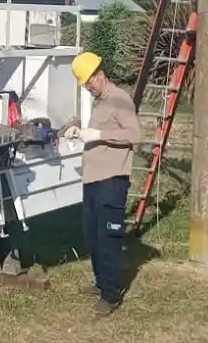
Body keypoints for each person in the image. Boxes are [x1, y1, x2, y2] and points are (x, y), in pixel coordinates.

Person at [61, 51, 141, 316]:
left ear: (100, 74)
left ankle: (111, 293)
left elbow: (134, 134)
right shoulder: (99, 102)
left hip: (112, 181)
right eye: (84, 85)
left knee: (108, 239)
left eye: (89, 83)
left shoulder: (120, 99)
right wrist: (80, 132)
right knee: (92, 237)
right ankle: (100, 282)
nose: (88, 88)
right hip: (93, 181)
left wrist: (98, 134)